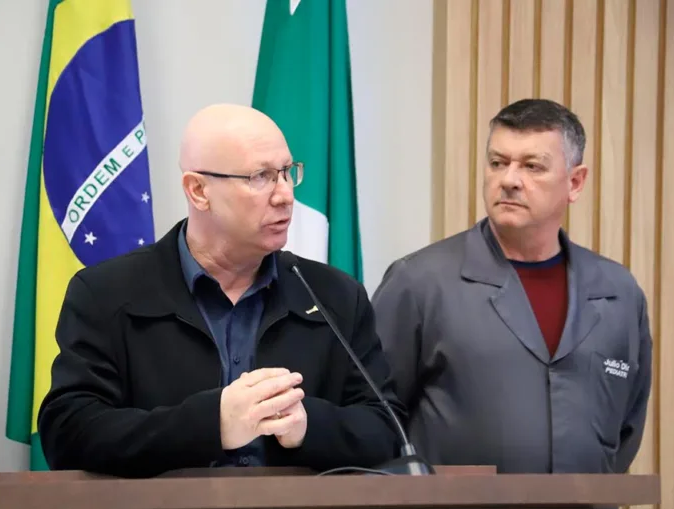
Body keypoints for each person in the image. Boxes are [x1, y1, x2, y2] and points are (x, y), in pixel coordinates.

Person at [37, 103, 404, 478]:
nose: (285, 195)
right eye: (260, 177)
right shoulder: (107, 293)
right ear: (198, 191)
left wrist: (309, 427)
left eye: (287, 173)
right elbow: (69, 433)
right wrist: (212, 424)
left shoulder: (333, 296)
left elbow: (389, 428)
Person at [371, 98, 652, 474]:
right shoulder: (420, 281)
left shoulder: (619, 292)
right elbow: (373, 417)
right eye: (497, 163)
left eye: (532, 167)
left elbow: (625, 427)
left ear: (575, 182)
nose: (509, 180)